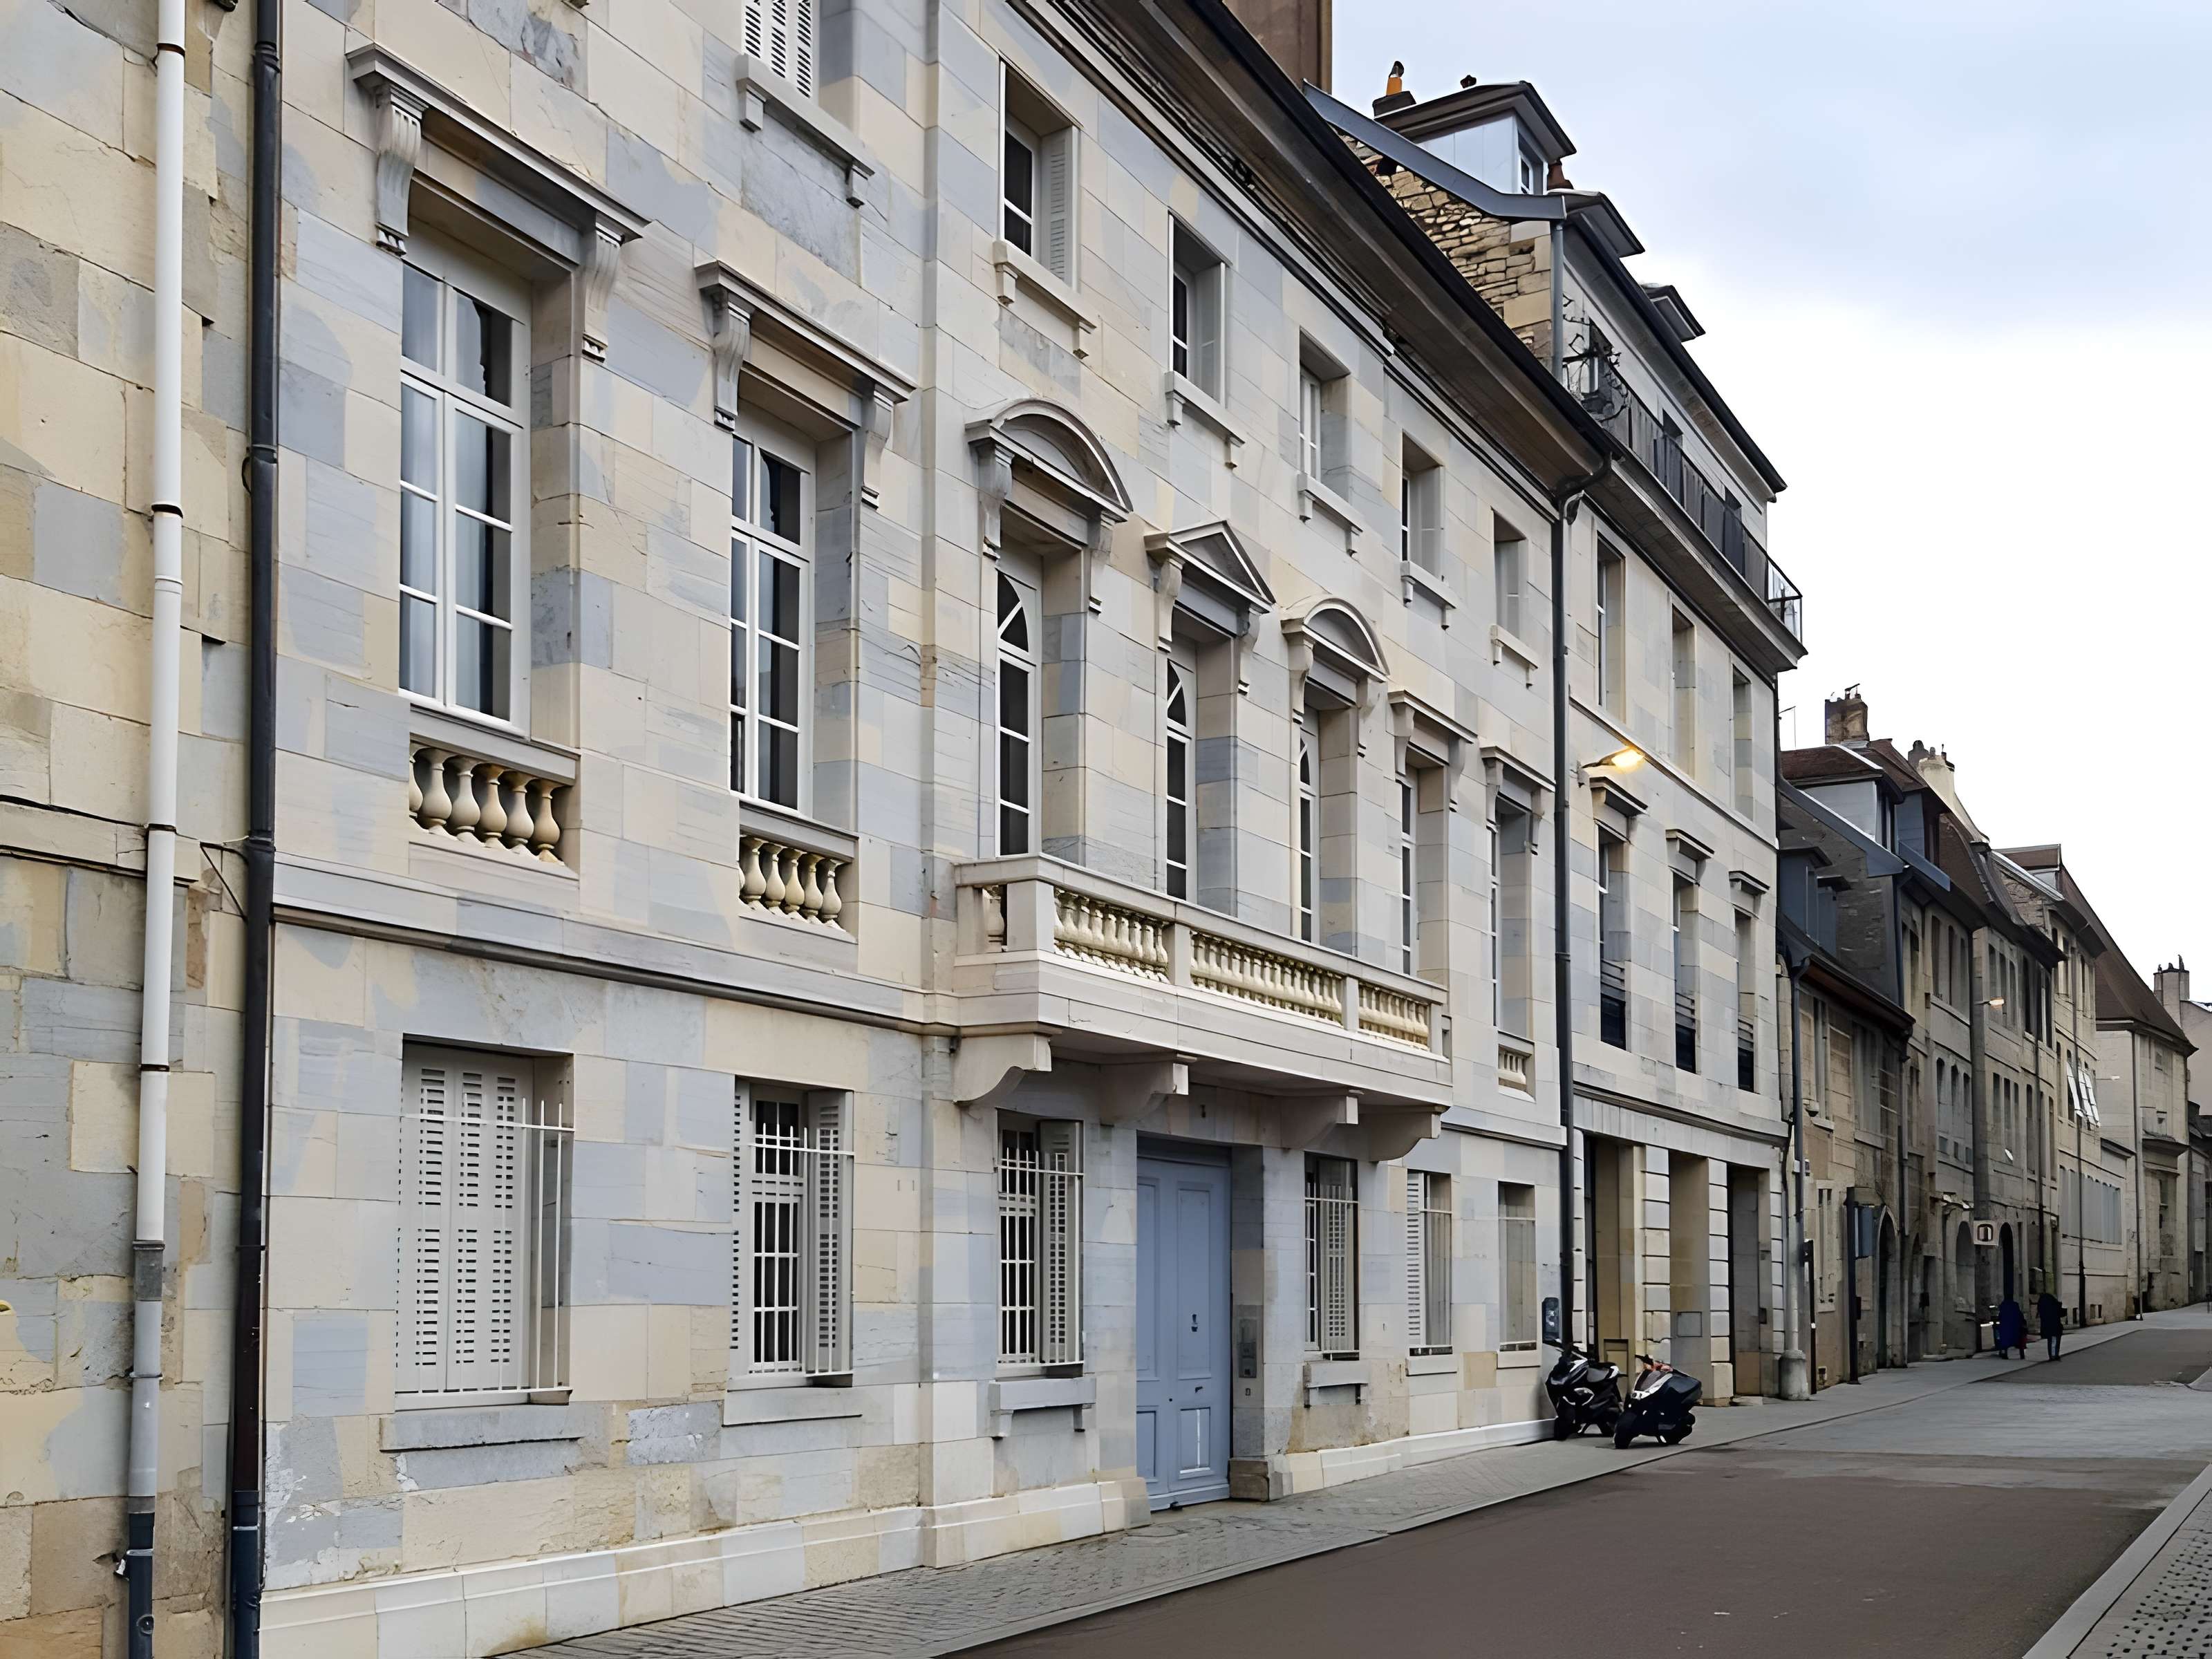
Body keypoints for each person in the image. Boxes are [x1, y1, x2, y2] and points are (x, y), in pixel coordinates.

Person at [2037, 1290, 2065, 1360]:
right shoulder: (2053, 1305)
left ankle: (2052, 1355)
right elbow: (2061, 1313)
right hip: (2055, 1327)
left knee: (2051, 1342)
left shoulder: (2043, 1304)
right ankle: (2054, 1355)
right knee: (2054, 1341)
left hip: (2048, 1327)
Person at [1996, 1296, 2026, 1360]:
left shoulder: (2003, 1307)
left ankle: (2004, 1354)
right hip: (2015, 1329)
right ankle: (2022, 1354)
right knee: (2019, 1341)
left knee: (2004, 1343)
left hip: (2005, 1329)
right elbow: (2021, 1318)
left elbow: (2000, 1317)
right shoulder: (2015, 1307)